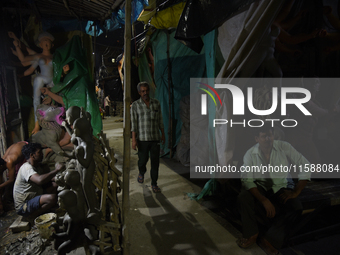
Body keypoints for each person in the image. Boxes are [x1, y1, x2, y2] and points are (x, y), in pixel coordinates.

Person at [237, 124, 311, 255]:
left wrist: (296, 191)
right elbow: (247, 180)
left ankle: (268, 240)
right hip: (262, 186)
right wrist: (264, 200)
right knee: (244, 196)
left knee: (296, 207)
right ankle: (252, 234)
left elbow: (305, 165)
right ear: (257, 139)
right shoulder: (250, 154)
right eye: (263, 136)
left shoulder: (284, 146)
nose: (268, 139)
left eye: (270, 135)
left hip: (281, 186)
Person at [9, 31, 54, 130]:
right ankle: (36, 124)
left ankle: (56, 122)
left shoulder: (55, 57)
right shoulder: (38, 56)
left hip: (53, 81)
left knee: (55, 98)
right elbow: (25, 62)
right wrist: (16, 44)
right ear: (40, 44)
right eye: (43, 41)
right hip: (42, 78)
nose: (46, 43)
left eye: (48, 41)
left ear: (52, 44)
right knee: (36, 100)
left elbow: (26, 50)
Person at [13, 143, 64, 220]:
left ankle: (44, 209)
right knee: (52, 198)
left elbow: (47, 179)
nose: (42, 154)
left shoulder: (37, 166)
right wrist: (56, 170)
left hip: (33, 195)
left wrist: (59, 177)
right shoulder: (26, 168)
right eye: (39, 152)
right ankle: (31, 216)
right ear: (32, 155)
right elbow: (40, 180)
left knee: (55, 184)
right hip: (24, 206)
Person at [131, 81, 165, 193]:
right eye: (143, 91)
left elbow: (160, 120)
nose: (145, 93)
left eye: (146, 90)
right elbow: (134, 124)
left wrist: (163, 134)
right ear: (139, 93)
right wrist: (134, 140)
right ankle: (141, 172)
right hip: (142, 139)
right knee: (142, 160)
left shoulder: (156, 103)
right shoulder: (135, 105)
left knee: (155, 162)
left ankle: (154, 184)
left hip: (155, 138)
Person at [0, 141, 28, 215]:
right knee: (7, 180)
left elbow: (11, 180)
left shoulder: (9, 162)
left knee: (18, 176)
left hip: (24, 147)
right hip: (16, 147)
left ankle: (16, 199)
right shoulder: (3, 161)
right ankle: (7, 199)